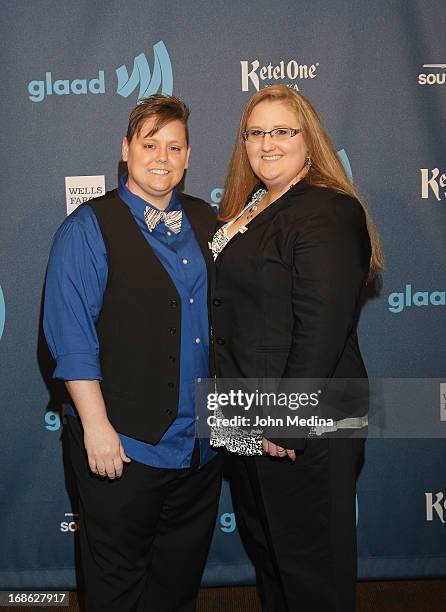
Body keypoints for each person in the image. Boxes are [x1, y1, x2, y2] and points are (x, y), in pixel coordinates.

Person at [44, 94, 222, 612]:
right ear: (126, 151)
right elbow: (71, 336)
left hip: (200, 452)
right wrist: (97, 428)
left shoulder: (208, 222)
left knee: (176, 590)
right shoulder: (88, 228)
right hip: (123, 450)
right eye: (149, 144)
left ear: (188, 157)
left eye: (174, 145)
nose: (161, 156)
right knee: (116, 593)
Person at [210, 85, 383, 611]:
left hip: (304, 420)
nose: (267, 143)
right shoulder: (255, 205)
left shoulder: (327, 210)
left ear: (310, 139)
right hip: (246, 415)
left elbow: (321, 327)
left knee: (312, 580)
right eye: (256, 132)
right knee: (275, 567)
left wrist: (285, 419)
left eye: (282, 130)